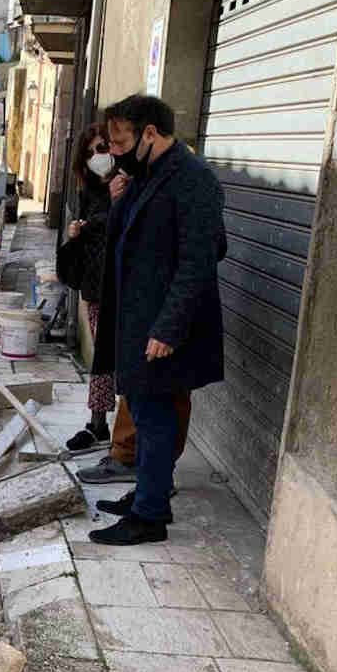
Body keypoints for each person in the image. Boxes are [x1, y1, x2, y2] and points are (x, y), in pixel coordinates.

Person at [88, 94, 226, 545]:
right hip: (138, 318)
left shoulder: (193, 178)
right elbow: (126, 238)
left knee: (156, 416)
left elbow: (201, 258)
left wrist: (169, 328)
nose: (115, 152)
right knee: (145, 414)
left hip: (162, 324)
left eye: (120, 142)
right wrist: (117, 201)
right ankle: (149, 497)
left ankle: (148, 517)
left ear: (150, 133)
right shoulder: (147, 175)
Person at [57, 124, 115, 451]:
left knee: (128, 363)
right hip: (95, 287)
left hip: (126, 286)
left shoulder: (129, 186)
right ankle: (97, 424)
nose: (97, 157)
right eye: (90, 153)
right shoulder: (88, 192)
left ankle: (128, 432)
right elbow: (82, 234)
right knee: (102, 359)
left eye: (102, 149)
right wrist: (75, 232)